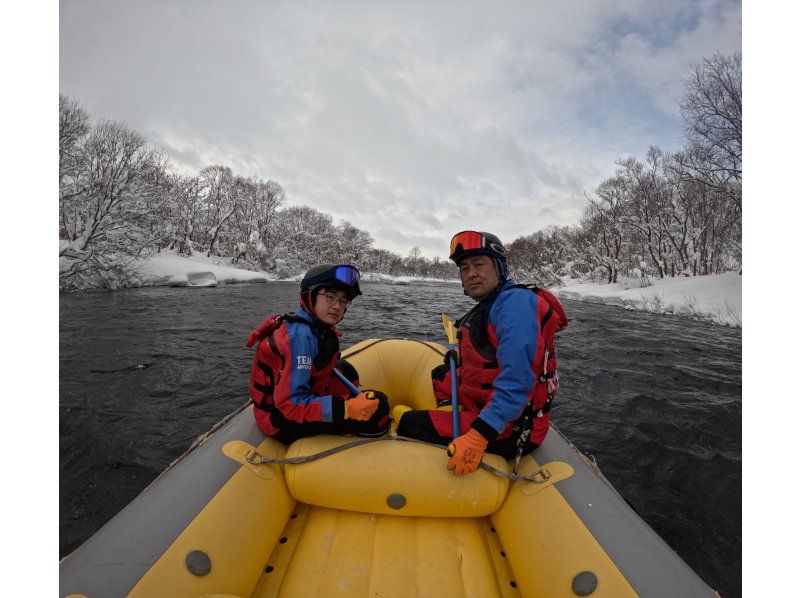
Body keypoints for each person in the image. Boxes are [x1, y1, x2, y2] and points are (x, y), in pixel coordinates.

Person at [397, 231, 568, 475]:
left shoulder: (514, 304)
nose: (471, 273)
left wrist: (478, 437)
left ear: (499, 267)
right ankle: (452, 412)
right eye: (464, 268)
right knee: (442, 372)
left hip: (513, 428)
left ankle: (454, 433)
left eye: (479, 264)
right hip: (491, 408)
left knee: (408, 423)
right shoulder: (496, 301)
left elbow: (518, 380)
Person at [246, 263, 391, 443]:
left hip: (285, 406)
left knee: (346, 369)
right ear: (310, 296)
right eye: (330, 297)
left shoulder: (312, 326)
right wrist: (347, 409)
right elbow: (290, 405)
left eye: (343, 300)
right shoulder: (300, 337)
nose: (338, 306)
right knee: (380, 405)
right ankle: (360, 439)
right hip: (281, 420)